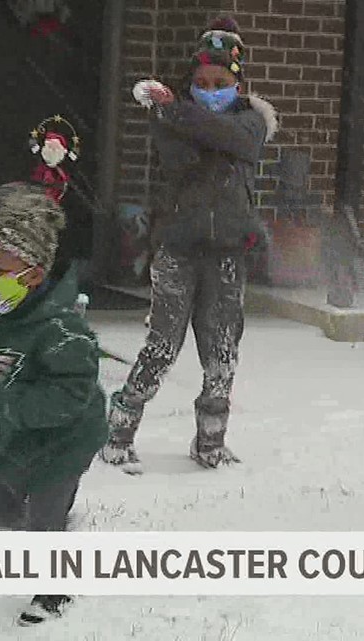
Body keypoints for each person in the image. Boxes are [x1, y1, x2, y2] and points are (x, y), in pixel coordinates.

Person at [99, 16, 278, 472]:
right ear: (191, 81)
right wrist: (180, 118)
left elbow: (238, 141)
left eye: (220, 82)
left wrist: (176, 109)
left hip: (227, 256)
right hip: (177, 251)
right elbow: (183, 158)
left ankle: (211, 443)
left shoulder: (252, 119)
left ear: (237, 85)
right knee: (161, 347)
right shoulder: (170, 121)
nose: (210, 88)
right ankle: (118, 430)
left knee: (221, 353)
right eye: (202, 82)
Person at [0, 181, 108, 625]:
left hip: (64, 441)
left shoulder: (60, 329)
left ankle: (54, 588)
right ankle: (50, 535)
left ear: (33, 274)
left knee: (44, 518)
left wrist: (3, 406)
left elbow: (71, 395)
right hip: (13, 437)